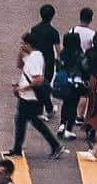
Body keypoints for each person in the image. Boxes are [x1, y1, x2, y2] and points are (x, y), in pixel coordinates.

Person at [4, 33, 63, 161]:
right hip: (26, 96)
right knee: (24, 121)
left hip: (31, 97)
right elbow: (19, 65)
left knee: (26, 121)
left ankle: (55, 145)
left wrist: (22, 88)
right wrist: (20, 52)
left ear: (28, 44)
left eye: (23, 43)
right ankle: (18, 149)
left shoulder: (35, 58)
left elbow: (38, 79)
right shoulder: (31, 56)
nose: (21, 45)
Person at [29, 5, 60, 118]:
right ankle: (47, 108)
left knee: (39, 84)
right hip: (48, 60)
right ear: (52, 16)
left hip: (36, 60)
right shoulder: (54, 32)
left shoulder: (34, 29)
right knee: (45, 84)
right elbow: (58, 49)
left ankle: (43, 108)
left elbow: (30, 45)